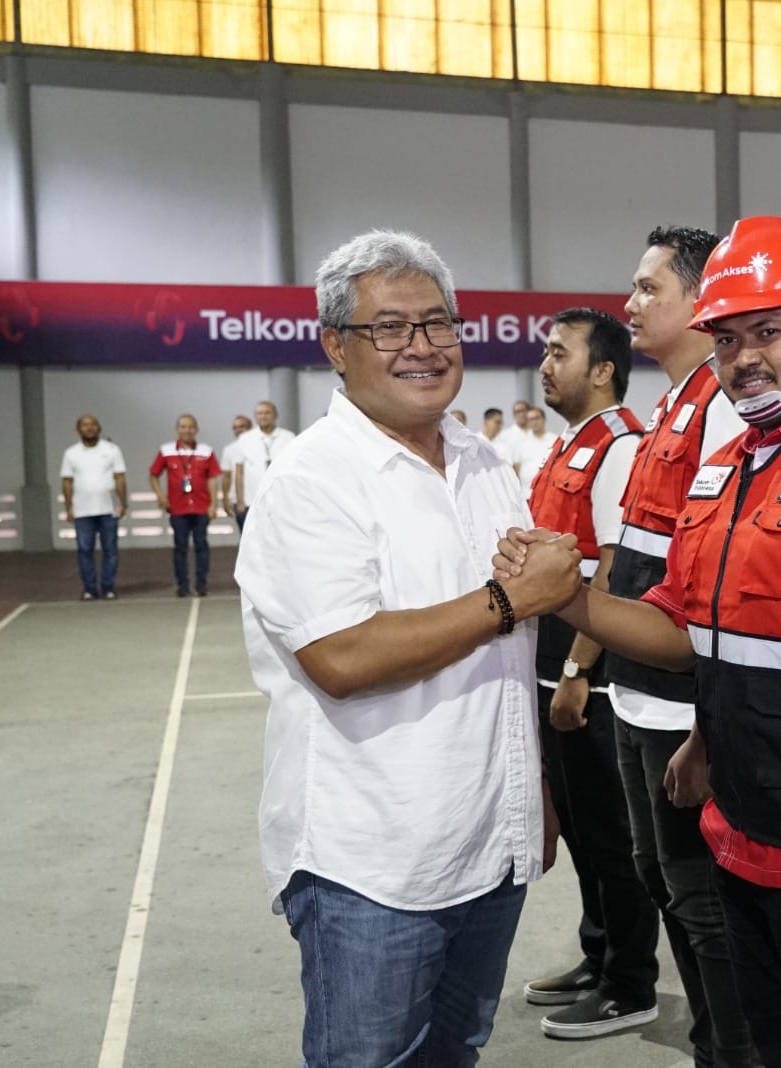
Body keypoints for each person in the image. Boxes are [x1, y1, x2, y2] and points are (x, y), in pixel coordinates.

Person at [498, 216, 781, 1067]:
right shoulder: (727, 467)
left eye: (770, 331)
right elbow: (690, 631)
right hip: (740, 842)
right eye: (728, 336)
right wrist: (569, 602)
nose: (745, 355)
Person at [234, 229, 584, 1068]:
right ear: (335, 346)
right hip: (373, 866)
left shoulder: (481, 461)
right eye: (389, 328)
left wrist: (528, 796)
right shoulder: (312, 481)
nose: (421, 348)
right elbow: (344, 658)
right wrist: (509, 598)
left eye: (438, 324)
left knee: (455, 1050)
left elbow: (508, 658)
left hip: (487, 846)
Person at [599, 225, 757, 1066]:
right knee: (660, 878)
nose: (630, 303)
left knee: (700, 898)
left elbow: (723, 577)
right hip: (637, 686)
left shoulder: (723, 405)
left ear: (702, 301)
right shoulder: (673, 404)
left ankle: (735, 1050)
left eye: (648, 288)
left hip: (679, 692)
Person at [525, 307, 662, 1039]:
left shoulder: (619, 446)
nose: (545, 365)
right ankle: (598, 953)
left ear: (602, 369)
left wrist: (580, 668)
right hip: (552, 657)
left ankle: (630, 983)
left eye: (558, 353)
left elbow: (615, 566)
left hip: (591, 668)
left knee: (613, 834)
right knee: (580, 827)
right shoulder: (567, 445)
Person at [149, 413, 221, 597]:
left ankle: (201, 584)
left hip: (201, 507)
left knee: (201, 546)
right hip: (177, 508)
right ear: (177, 429)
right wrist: (160, 496)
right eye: (183, 426)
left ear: (196, 429)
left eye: (190, 426)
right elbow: (154, 474)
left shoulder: (206, 451)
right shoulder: (166, 450)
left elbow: (212, 478)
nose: (187, 430)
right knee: (180, 547)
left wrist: (213, 503)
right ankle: (182, 585)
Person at [60, 414, 128, 600]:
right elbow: (67, 481)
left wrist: (123, 503)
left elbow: (120, 477)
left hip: (108, 508)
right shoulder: (71, 453)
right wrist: (68, 507)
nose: (89, 428)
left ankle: (108, 587)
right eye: (84, 425)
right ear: (78, 430)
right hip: (82, 510)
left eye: (92, 425)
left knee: (110, 550)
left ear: (99, 428)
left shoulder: (112, 450)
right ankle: (89, 588)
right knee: (85, 550)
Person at [233, 401, 297, 527]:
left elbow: (294, 469)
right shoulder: (245, 438)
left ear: (275, 415)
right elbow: (239, 472)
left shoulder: (288, 436)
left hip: (281, 499)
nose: (263, 416)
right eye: (259, 413)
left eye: (267, 413)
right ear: (255, 417)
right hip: (252, 500)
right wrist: (240, 501)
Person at [220, 413, 252, 520]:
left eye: (242, 426)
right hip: (239, 501)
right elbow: (226, 476)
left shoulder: (260, 446)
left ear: (250, 428)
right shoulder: (229, 449)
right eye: (235, 428)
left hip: (257, 497)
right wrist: (225, 499)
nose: (239, 430)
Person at [515, 406, 555, 489]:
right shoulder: (521, 442)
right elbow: (516, 468)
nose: (534, 422)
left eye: (536, 418)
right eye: (530, 419)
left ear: (544, 419)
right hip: (526, 491)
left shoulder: (555, 440)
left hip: (548, 489)